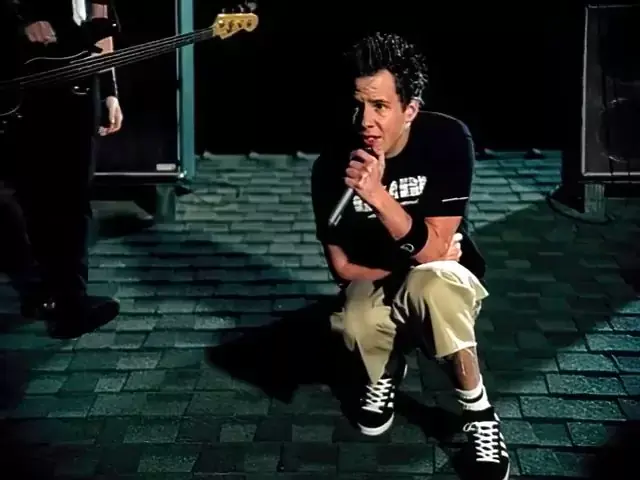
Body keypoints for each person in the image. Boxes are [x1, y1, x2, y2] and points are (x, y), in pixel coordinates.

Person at [311, 32, 509, 479]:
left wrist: (378, 196)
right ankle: (387, 366)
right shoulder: (331, 164)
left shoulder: (446, 139)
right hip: (380, 276)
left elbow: (438, 251)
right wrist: (413, 263)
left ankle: (479, 413)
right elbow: (342, 267)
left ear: (410, 109)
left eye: (380, 106)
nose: (366, 120)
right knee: (355, 320)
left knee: (433, 286)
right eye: (359, 105)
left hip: (443, 279)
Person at [1, 0, 123, 338]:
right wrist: (23, 18)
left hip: (81, 91)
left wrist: (110, 92)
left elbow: (102, 27)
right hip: (27, 83)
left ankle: (69, 301)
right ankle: (52, 295)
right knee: (31, 196)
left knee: (73, 198)